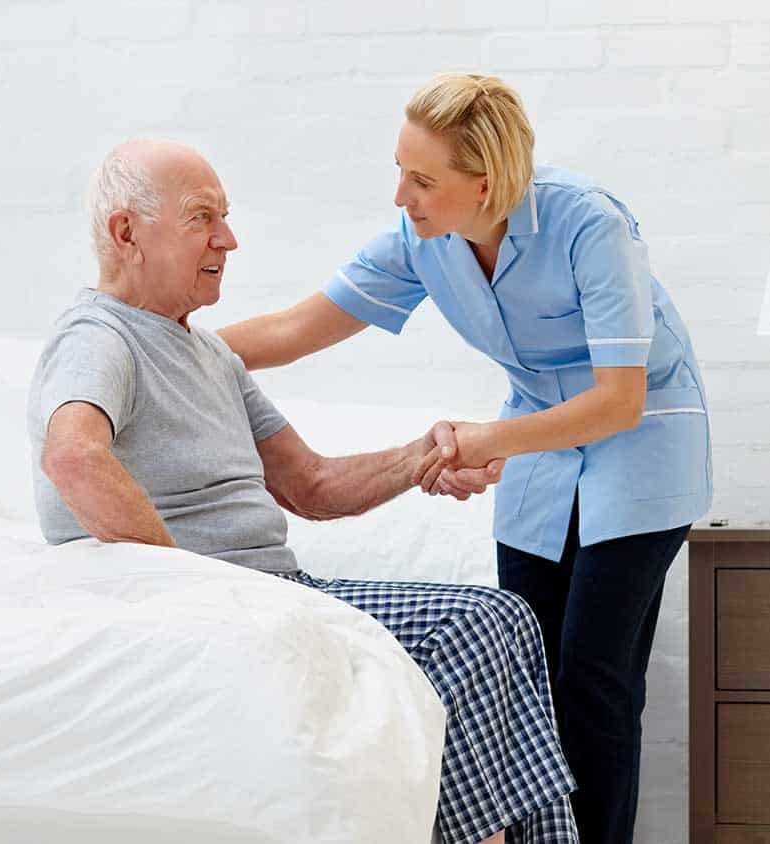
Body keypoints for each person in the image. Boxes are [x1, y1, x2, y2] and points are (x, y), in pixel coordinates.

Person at [29, 138, 577, 844]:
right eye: (203, 218)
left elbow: (311, 485)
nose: (228, 239)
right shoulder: (99, 337)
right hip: (228, 600)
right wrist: (190, 587)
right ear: (126, 232)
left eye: (224, 218)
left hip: (278, 589)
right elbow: (72, 456)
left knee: (507, 621)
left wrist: (424, 455)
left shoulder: (209, 353)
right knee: (467, 628)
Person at [219, 73, 712, 841]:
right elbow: (296, 326)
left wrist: (489, 443)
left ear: (485, 184)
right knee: (529, 682)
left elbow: (620, 399)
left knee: (595, 680)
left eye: (421, 179)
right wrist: (167, 347)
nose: (400, 196)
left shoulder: (588, 224)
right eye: (400, 170)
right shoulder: (422, 240)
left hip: (642, 443)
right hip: (539, 447)